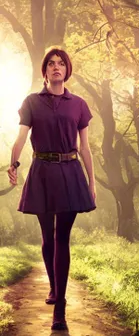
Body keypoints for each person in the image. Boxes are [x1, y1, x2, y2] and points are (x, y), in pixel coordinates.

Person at [6, 47, 96, 331]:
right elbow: (20, 137)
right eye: (51, 64)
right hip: (42, 171)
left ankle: (60, 309)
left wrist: (92, 182)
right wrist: (13, 163)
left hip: (70, 172)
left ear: (67, 70)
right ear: (44, 70)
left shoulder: (79, 104)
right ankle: (54, 287)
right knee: (47, 236)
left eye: (61, 64)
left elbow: (86, 148)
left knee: (62, 238)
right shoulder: (32, 102)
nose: (56, 67)